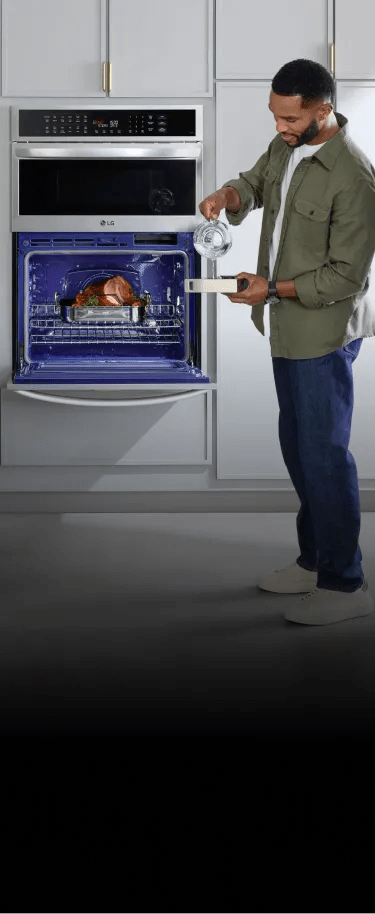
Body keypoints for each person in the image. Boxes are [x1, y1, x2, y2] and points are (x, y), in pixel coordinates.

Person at [199, 58, 375, 625]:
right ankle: (314, 560)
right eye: (275, 115)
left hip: (322, 333)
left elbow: (347, 276)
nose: (280, 126)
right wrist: (228, 196)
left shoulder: (354, 176)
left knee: (324, 456)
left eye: (290, 117)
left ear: (323, 110)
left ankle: (345, 584)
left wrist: (270, 288)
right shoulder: (287, 144)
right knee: (300, 451)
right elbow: (255, 182)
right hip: (283, 326)